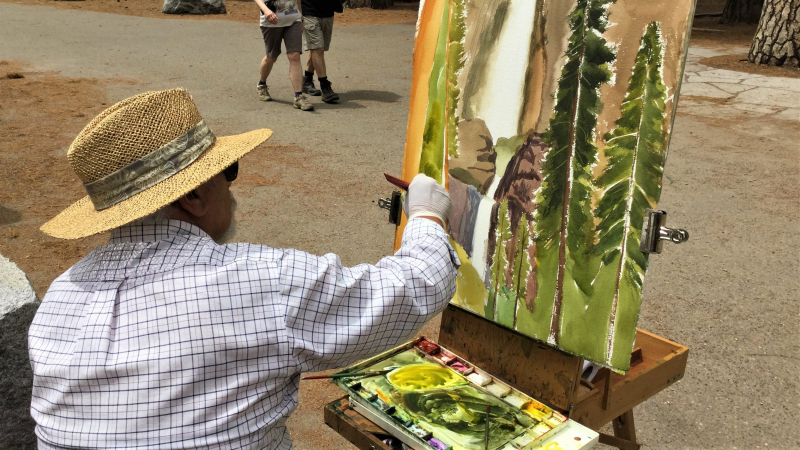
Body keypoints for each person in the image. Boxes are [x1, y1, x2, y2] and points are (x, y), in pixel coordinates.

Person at [29, 88, 458, 450]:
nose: (232, 188)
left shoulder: (61, 295)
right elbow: (414, 288)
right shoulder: (259, 280)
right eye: (226, 171)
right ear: (194, 196)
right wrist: (426, 214)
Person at [255, 0, 314, 111]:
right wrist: (266, 10)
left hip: (293, 19)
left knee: (295, 56)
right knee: (271, 57)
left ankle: (298, 96)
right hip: (271, 21)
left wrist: (301, 18)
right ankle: (261, 84)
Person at [300, 0, 341, 103]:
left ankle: (307, 80)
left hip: (328, 12)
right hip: (309, 12)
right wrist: (299, 16)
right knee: (318, 49)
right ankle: (325, 86)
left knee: (316, 49)